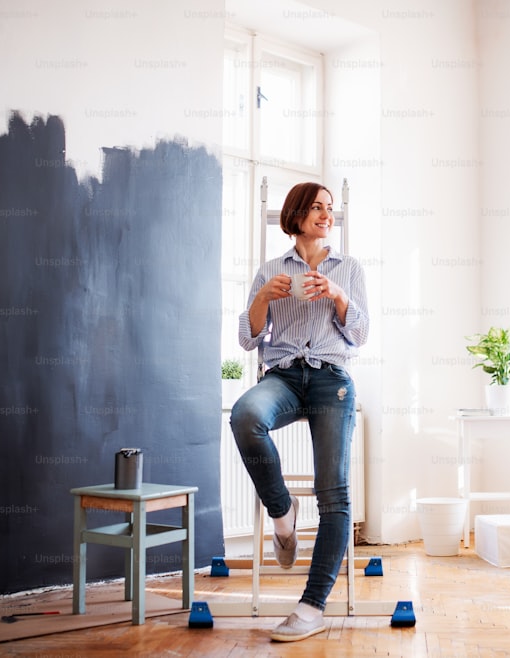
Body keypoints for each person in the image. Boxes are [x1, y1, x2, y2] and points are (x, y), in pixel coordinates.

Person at [230, 181, 369, 642]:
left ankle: (311, 607)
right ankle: (283, 512)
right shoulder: (271, 269)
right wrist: (262, 300)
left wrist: (337, 295)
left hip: (331, 379)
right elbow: (248, 339)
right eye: (316, 208)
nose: (326, 215)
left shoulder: (348, 268)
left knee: (335, 495)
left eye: (330, 209)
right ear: (296, 215)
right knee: (245, 415)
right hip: (283, 376)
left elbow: (361, 334)